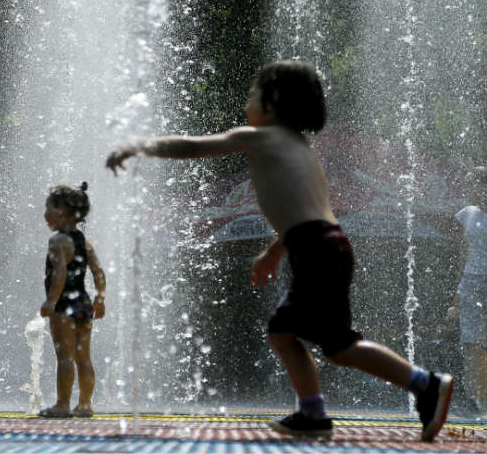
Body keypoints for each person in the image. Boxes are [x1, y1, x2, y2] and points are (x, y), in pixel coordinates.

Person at [105, 60, 453, 441]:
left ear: (272, 103)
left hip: (316, 247)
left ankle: (424, 384)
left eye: (253, 94)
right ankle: (315, 412)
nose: (246, 103)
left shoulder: (263, 138)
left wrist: (139, 146)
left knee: (335, 344)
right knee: (289, 332)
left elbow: (196, 146)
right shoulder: (302, 149)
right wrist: (274, 252)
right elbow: (307, 214)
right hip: (322, 243)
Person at [38, 183, 107, 418]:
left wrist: (50, 301)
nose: (44, 213)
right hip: (84, 305)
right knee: (83, 357)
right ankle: (85, 404)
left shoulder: (58, 241)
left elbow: (59, 273)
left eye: (48, 208)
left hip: (64, 306)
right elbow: (98, 271)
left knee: (65, 356)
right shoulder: (84, 242)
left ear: (62, 212)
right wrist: (100, 298)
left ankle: (63, 404)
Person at [447, 167, 487, 412]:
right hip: (471, 281)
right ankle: (475, 398)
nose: (470, 189)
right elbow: (464, 252)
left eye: (474, 184)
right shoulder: (467, 214)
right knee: (470, 339)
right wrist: (458, 289)